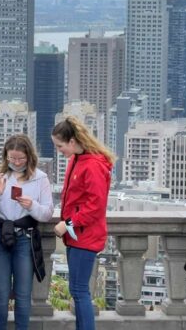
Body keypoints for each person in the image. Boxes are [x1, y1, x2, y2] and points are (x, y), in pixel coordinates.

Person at [52, 116, 115, 330]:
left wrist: (67, 223)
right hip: (78, 235)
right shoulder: (77, 160)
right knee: (77, 290)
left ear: (72, 142)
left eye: (60, 145)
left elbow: (95, 206)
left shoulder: (92, 165)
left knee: (79, 291)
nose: (58, 150)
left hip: (84, 235)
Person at [0, 134, 53, 330]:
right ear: (5, 156)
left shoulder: (40, 178)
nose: (16, 162)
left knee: (23, 294)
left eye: (20, 158)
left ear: (29, 156)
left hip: (25, 239)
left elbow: (47, 213)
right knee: (1, 293)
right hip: (0, 238)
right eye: (12, 158)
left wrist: (31, 205)